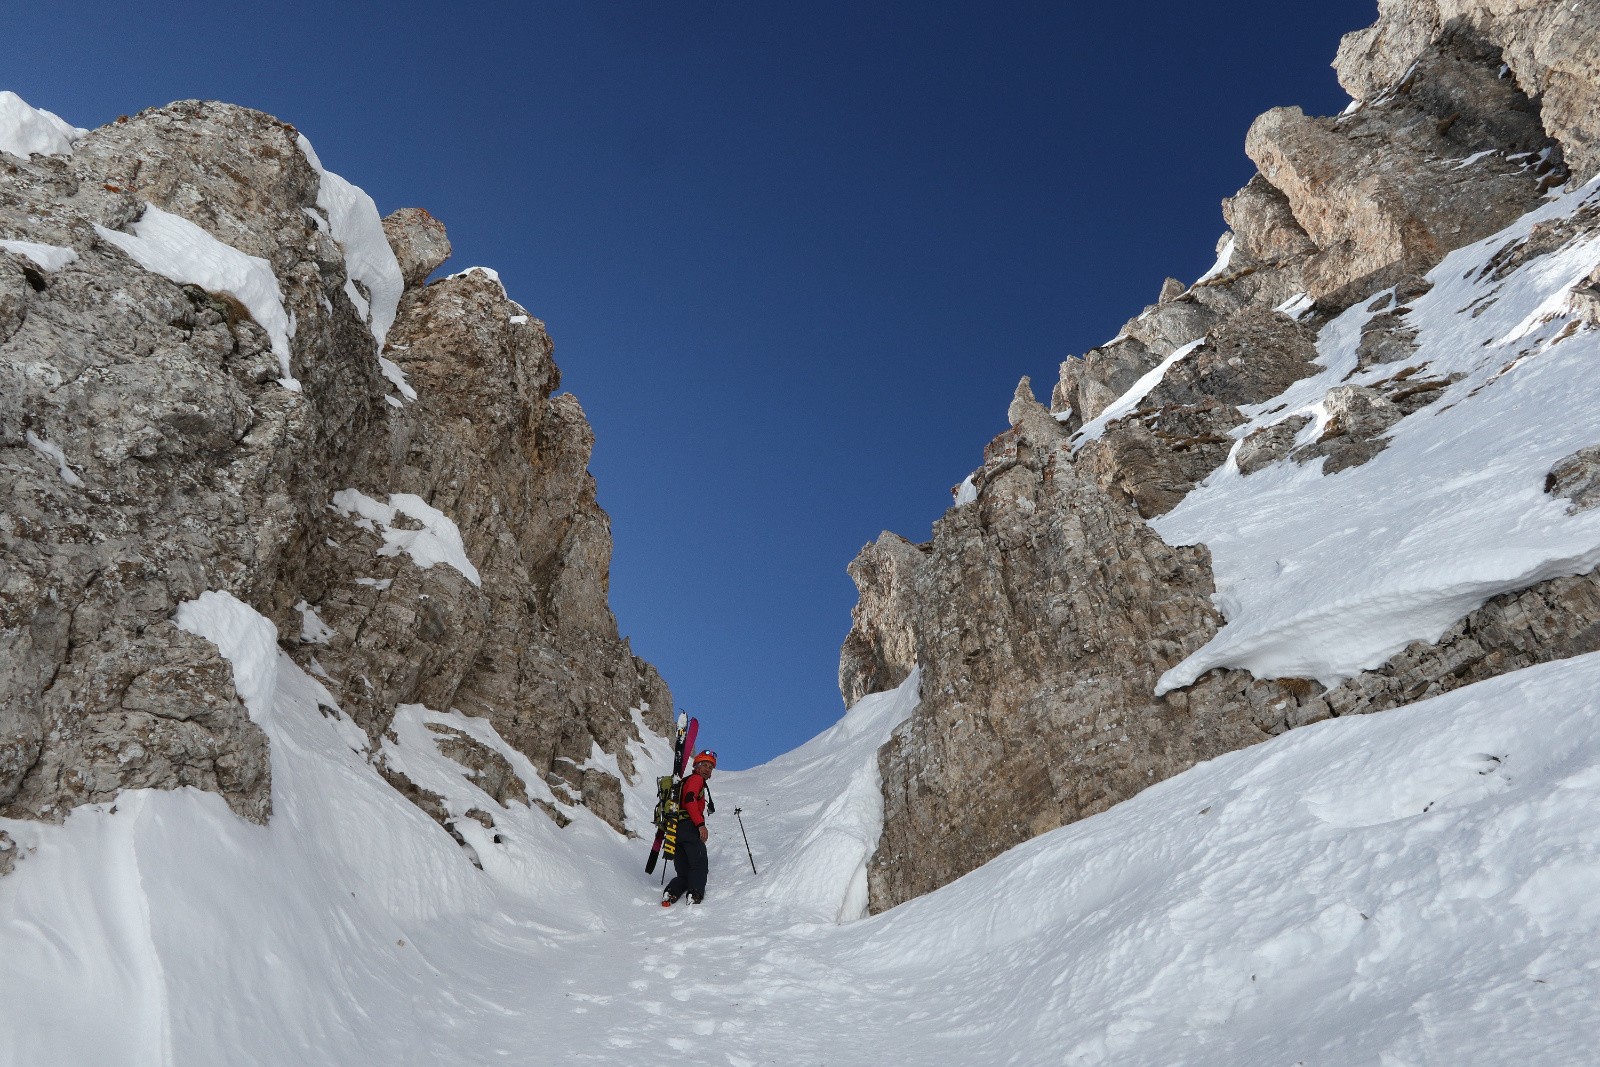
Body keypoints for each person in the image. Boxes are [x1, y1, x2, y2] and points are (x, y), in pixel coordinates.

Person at [662, 750, 716, 906]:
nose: (707, 769)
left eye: (710, 767)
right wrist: (700, 825)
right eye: (704, 765)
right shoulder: (696, 779)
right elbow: (690, 800)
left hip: (675, 829)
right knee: (699, 863)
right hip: (689, 827)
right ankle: (694, 894)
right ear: (697, 766)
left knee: (684, 873)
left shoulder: (685, 781)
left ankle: (671, 892)